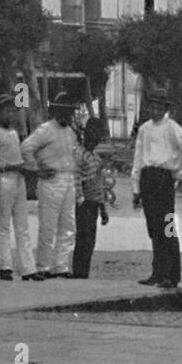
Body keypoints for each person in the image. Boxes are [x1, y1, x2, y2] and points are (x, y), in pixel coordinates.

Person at [131, 89, 182, 289]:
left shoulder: (172, 128)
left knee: (168, 226)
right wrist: (136, 188)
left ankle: (172, 274)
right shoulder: (144, 129)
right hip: (148, 179)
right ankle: (158, 271)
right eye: (151, 106)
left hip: (164, 180)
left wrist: (179, 175)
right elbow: (138, 158)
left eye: (159, 107)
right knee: (153, 228)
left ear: (165, 108)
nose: (155, 110)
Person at [20, 91, 81, 279]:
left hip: (68, 179)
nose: (67, 115)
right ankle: (43, 266)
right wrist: (37, 169)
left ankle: (61, 266)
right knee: (48, 226)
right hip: (51, 181)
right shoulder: (46, 129)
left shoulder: (71, 132)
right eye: (63, 111)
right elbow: (26, 147)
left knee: (68, 225)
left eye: (70, 112)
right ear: (55, 111)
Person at [0, 93, 40, 282]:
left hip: (18, 178)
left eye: (13, 110)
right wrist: (9, 166)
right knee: (4, 224)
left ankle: (28, 268)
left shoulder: (14, 133)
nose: (11, 114)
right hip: (5, 178)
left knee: (22, 224)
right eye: (7, 110)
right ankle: (5, 266)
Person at [72, 117, 111, 279]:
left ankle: (84, 272)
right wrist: (80, 200)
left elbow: (100, 185)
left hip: (94, 204)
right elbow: (76, 180)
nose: (95, 141)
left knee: (90, 240)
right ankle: (78, 272)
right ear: (86, 135)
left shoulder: (96, 157)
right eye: (93, 137)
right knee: (83, 238)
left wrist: (103, 209)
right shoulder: (79, 154)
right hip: (84, 203)